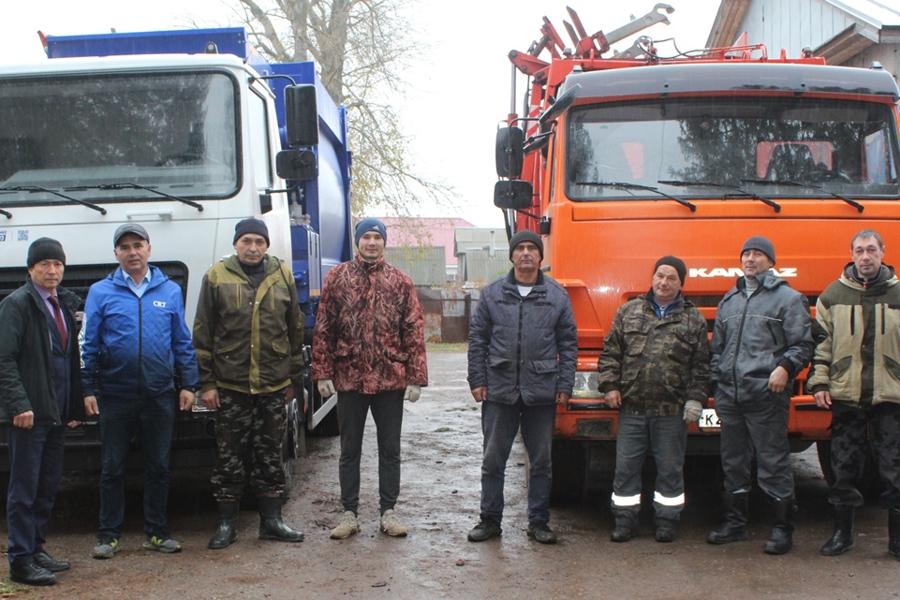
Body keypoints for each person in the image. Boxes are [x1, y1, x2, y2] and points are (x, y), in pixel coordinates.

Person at [82, 223, 199, 559]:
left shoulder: (170, 290)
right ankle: (108, 536)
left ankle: (157, 533)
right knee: (112, 468)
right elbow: (88, 343)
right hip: (115, 396)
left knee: (159, 467)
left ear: (149, 248)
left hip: (159, 394)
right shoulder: (100, 292)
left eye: (138, 245)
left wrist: (189, 383)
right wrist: (87, 387)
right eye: (124, 247)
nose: (132, 252)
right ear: (116, 254)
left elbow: (181, 342)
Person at [312, 218, 427, 540]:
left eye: (377, 237)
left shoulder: (400, 281)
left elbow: (413, 330)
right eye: (367, 237)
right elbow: (324, 327)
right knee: (349, 449)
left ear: (385, 242)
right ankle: (349, 513)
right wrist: (322, 372)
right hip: (349, 377)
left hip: (390, 378)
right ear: (358, 242)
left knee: (389, 449)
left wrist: (416, 377)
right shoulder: (338, 278)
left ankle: (388, 512)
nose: (372, 243)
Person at [193, 218, 305, 549]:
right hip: (230, 385)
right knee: (229, 457)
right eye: (246, 241)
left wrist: (292, 379)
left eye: (258, 241)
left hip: (272, 384)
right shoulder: (216, 277)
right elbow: (203, 332)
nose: (252, 247)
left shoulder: (282, 276)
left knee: (271, 454)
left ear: (267, 245)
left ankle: (271, 522)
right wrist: (207, 383)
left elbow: (294, 328)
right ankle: (227, 524)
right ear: (235, 244)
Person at [466, 229, 578, 544]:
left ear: (541, 257)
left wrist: (564, 383)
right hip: (499, 390)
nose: (526, 253)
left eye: (532, 248)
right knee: (493, 459)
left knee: (541, 461)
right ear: (512, 255)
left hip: (541, 391)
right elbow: (477, 341)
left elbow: (569, 344)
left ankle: (539, 523)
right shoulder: (492, 294)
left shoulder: (557, 295)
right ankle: (489, 521)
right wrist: (478, 379)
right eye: (520, 248)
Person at [707, 236, 814, 555]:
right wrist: (718, 381)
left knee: (773, 462)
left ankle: (782, 530)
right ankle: (735, 524)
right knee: (733, 463)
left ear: (770, 261)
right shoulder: (730, 300)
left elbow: (803, 345)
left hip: (766, 396)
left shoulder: (788, 299)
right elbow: (718, 350)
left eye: (757, 254)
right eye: (746, 254)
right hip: (731, 397)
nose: (750, 259)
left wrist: (785, 368)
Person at [598, 256, 709, 543]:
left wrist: (696, 399)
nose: (664, 282)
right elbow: (611, 353)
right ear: (652, 278)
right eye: (660, 275)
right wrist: (609, 386)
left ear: (680, 283)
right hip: (632, 409)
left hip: (671, 412)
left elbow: (701, 366)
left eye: (672, 278)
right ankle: (625, 522)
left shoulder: (692, 318)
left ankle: (667, 522)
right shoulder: (629, 311)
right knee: (625, 469)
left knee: (671, 469)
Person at [809, 229, 900, 559]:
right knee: (844, 467)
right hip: (846, 395)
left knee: (895, 468)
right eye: (859, 250)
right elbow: (821, 344)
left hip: (891, 395)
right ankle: (842, 535)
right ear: (851, 254)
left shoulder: (899, 293)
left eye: (872, 250)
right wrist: (819, 383)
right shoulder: (832, 296)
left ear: (882, 252)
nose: (865, 256)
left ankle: (896, 540)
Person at [0, 239, 84, 586]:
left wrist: (74, 405)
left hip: (56, 412)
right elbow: (4, 359)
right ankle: (20, 560)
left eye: (58, 265)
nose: (52, 271)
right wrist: (19, 404)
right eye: (45, 264)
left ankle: (36, 547)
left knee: (48, 485)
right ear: (30, 269)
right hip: (29, 414)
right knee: (24, 488)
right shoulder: (16, 305)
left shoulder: (62, 303)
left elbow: (68, 360)